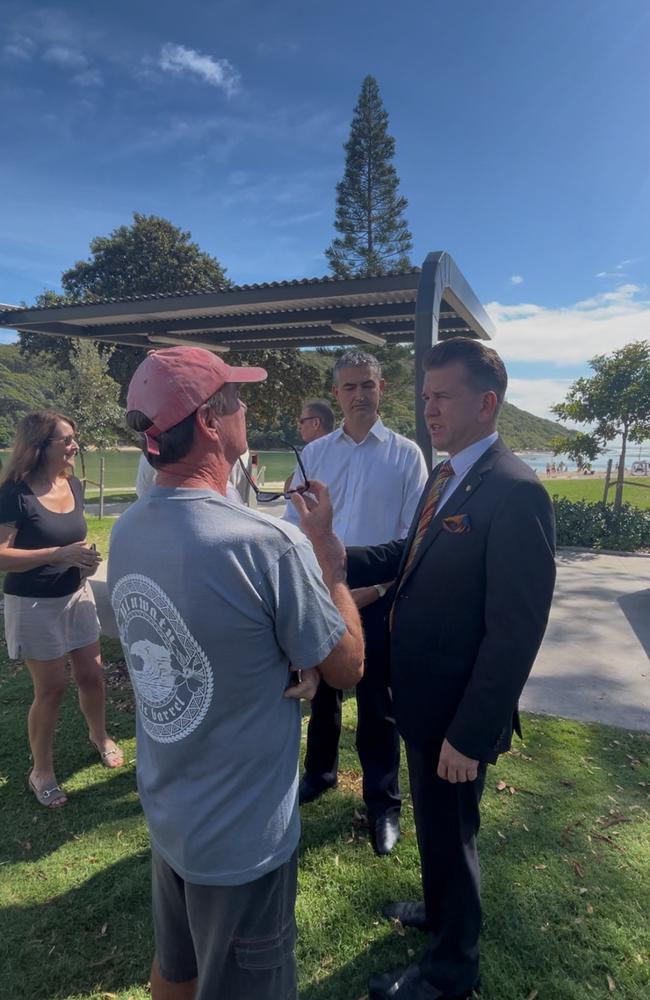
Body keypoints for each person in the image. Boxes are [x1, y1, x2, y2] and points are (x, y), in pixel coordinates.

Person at [107, 347, 363, 1000]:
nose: (248, 408)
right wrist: (328, 559)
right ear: (214, 422)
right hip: (244, 838)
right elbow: (348, 666)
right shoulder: (268, 545)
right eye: (238, 397)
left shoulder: (127, 531)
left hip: (171, 815)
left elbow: (205, 638)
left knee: (177, 971)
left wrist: (279, 659)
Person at [347, 338, 556, 1000]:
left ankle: (452, 970)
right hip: (419, 699)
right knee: (437, 827)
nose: (428, 408)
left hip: (458, 714)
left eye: (443, 397)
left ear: (486, 403)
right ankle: (438, 915)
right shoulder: (446, 477)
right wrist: (328, 547)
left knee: (452, 833)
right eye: (426, 395)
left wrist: (472, 733)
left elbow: (515, 632)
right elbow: (404, 555)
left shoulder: (517, 491)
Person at [284, 349, 427, 855]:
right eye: (349, 387)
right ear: (338, 392)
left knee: (379, 708)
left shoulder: (407, 454)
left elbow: (413, 538)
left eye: (368, 385)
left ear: (381, 388)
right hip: (324, 597)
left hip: (380, 598)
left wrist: (372, 588)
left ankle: (383, 803)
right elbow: (294, 526)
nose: (360, 394)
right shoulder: (317, 453)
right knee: (322, 696)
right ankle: (319, 774)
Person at [0, 411, 123, 809]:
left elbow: (74, 539)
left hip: (76, 594)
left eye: (75, 438)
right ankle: (42, 771)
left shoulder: (72, 484)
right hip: (33, 603)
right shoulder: (14, 492)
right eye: (66, 439)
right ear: (38, 446)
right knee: (50, 689)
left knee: (92, 675)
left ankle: (99, 736)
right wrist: (57, 553)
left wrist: (83, 559)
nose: (74, 445)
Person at [283, 400, 335, 494]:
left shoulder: (312, 451)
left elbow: (291, 490)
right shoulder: (343, 450)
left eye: (302, 421)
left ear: (315, 423)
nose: (299, 426)